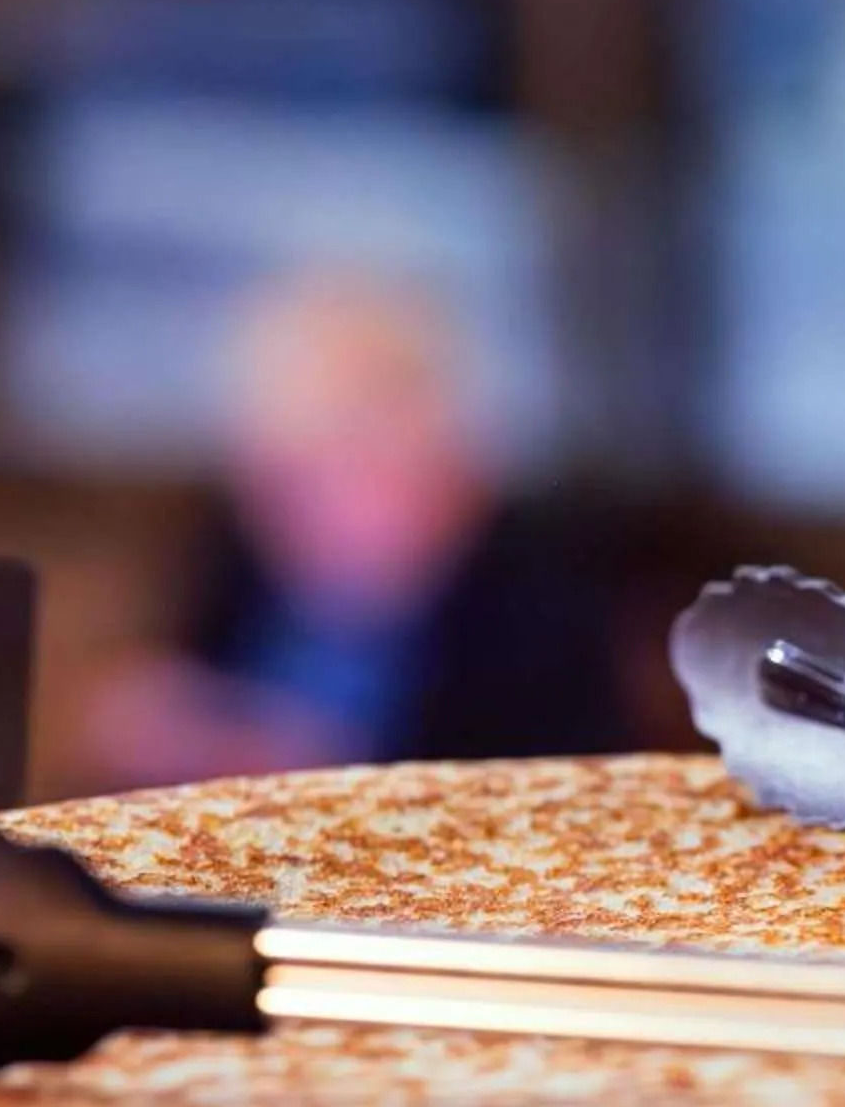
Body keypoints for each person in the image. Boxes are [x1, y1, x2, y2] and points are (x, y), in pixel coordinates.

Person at [84, 272, 627, 787]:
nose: (280, 515)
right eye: (271, 477)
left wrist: (304, 773)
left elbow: (538, 838)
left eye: (328, 470)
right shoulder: (233, 572)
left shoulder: (539, 618)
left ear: (437, 459)